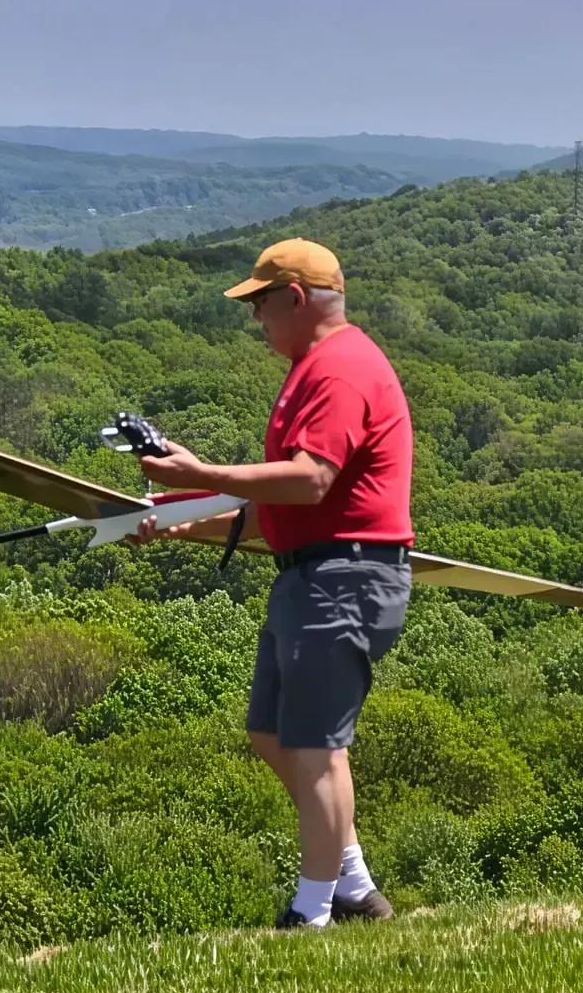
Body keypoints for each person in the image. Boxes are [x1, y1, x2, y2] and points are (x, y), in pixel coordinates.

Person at [133, 238, 413, 930]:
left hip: (342, 574)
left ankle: (310, 912)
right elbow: (282, 503)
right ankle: (351, 883)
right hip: (310, 575)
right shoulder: (310, 368)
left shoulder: (341, 368)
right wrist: (184, 519)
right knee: (273, 734)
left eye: (259, 303)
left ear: (294, 297)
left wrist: (198, 474)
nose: (255, 319)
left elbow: (311, 478)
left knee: (316, 747)